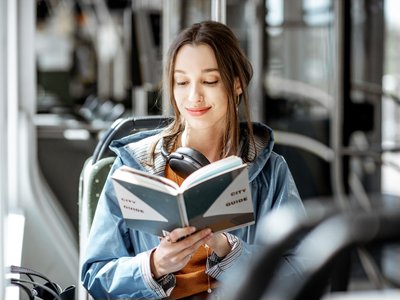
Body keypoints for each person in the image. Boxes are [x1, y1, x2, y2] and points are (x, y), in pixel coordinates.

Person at [81, 20, 304, 299]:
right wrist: (153, 266)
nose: (193, 96)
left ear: (236, 84)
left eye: (210, 81)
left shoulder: (270, 172)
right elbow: (95, 275)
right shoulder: (133, 165)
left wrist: (228, 249)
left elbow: (300, 271)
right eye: (182, 82)